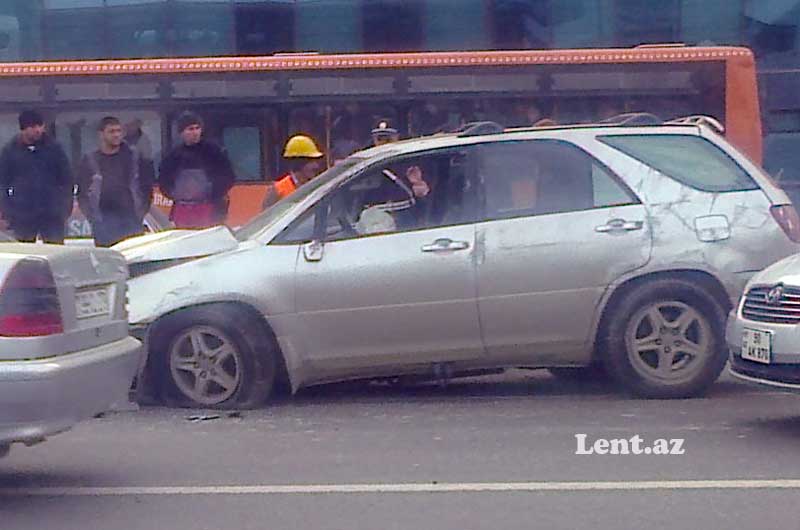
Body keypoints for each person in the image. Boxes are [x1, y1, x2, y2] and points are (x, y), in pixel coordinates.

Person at [77, 116, 153, 247]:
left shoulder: (134, 157)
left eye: (119, 131)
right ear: (101, 134)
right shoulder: (90, 160)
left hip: (131, 220)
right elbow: (82, 193)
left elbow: (146, 186)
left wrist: (140, 213)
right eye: (111, 131)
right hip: (103, 223)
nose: (116, 135)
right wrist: (93, 218)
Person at [0, 110, 73, 244]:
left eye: (40, 125)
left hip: (52, 213)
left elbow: (67, 179)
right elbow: (3, 183)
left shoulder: (54, 148)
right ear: (23, 129)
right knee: (25, 253)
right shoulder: (10, 151)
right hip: (23, 214)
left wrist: (64, 207)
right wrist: (7, 211)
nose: (38, 130)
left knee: (55, 249)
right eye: (33, 127)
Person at [159, 112, 235, 228]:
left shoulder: (214, 152)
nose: (195, 132)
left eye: (197, 128)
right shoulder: (173, 156)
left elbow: (228, 176)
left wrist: (213, 193)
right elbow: (164, 180)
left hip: (209, 207)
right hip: (182, 208)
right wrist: (174, 194)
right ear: (181, 133)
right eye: (190, 129)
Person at [261, 135, 324, 209]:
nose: (316, 166)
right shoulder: (277, 191)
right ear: (299, 163)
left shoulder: (317, 187)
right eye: (311, 162)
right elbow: (268, 218)